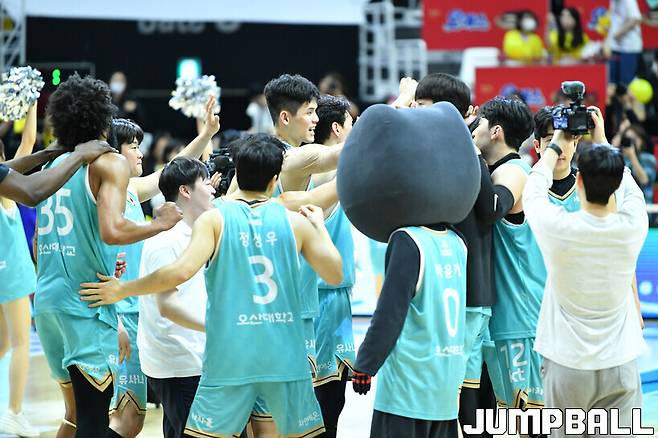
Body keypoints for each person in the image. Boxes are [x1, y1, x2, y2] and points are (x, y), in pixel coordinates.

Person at [79, 134, 344, 438]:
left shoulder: (214, 220)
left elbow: (178, 272)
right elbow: (334, 274)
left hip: (230, 354)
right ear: (274, 180)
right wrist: (319, 228)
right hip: (284, 354)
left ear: (237, 173)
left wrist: (123, 289)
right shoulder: (293, 221)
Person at [32, 74, 182, 438]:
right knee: (93, 422)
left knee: (74, 416)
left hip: (47, 303)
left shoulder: (53, 167)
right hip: (86, 302)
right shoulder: (106, 163)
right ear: (102, 119)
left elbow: (37, 242)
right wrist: (159, 224)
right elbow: (112, 230)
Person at [106, 97, 219, 438]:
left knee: (141, 418)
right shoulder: (103, 195)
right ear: (113, 154)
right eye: (133, 146)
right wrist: (114, 321)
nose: (140, 153)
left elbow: (173, 172)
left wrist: (206, 133)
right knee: (126, 417)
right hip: (120, 312)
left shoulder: (129, 189)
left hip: (138, 309)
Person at [523, 135, 648, 437]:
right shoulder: (632, 226)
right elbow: (630, 188)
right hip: (620, 362)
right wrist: (603, 141)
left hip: (567, 364)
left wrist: (556, 145)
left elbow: (533, 190)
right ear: (615, 186)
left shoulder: (559, 227)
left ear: (579, 182)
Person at [415, 73, 515, 438]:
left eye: (424, 107)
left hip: (468, 291)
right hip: (453, 290)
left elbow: (490, 208)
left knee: (461, 392)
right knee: (457, 390)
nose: (418, 114)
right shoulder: (439, 152)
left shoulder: (468, 155)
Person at [471, 97, 545, 416]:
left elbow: (492, 208)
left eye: (480, 124)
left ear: (496, 131)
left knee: (531, 421)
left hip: (521, 316)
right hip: (502, 316)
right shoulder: (495, 170)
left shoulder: (514, 171)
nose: (474, 130)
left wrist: (470, 153)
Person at [286, 94, 355, 438]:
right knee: (323, 399)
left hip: (335, 293)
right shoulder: (321, 172)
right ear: (338, 129)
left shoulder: (332, 169)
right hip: (321, 293)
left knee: (333, 399)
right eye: (352, 123)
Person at [137, 157, 215, 438]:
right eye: (206, 183)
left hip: (194, 356)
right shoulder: (166, 240)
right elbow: (167, 307)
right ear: (185, 191)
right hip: (178, 363)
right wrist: (217, 327)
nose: (213, 189)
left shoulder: (197, 232)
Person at [0, 103, 41, 437]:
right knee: (21, 343)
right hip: (12, 276)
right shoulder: (5, 191)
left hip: (4, 277)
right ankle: (14, 411)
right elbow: (28, 142)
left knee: (2, 344)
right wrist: (31, 103)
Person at [611, 122, 656, 203]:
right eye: (628, 139)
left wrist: (632, 156)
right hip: (622, 203)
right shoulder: (619, 159)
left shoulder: (648, 158)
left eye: (634, 139)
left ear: (641, 141)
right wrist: (615, 145)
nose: (631, 142)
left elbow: (644, 180)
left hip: (645, 204)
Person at [607, 0, 643, 86]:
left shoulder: (629, 1)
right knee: (612, 80)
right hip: (615, 47)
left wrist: (619, 33)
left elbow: (636, 19)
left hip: (629, 47)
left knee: (626, 81)